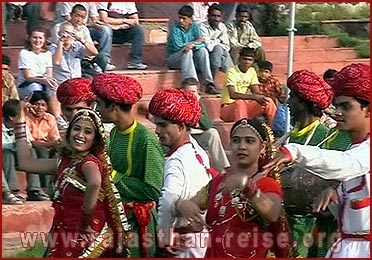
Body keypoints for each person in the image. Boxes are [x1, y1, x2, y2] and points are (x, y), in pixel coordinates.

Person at [264, 63, 370, 258]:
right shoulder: (353, 147)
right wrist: (334, 193)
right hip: (345, 246)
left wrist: (294, 151)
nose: (338, 112)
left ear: (368, 111)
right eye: (337, 105)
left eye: (346, 107)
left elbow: (348, 164)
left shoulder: (361, 151)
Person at [14, 107, 131, 257]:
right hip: (65, 231)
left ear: (95, 139)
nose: (80, 135)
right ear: (69, 133)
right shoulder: (66, 162)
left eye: (88, 132)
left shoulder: (89, 163)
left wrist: (86, 222)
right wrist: (19, 123)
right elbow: (26, 163)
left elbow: (95, 182)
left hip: (85, 235)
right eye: (76, 129)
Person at [175, 117, 288, 258]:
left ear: (262, 147)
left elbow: (273, 214)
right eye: (236, 140)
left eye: (249, 141)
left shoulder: (267, 184)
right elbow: (193, 205)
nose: (242, 146)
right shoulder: (219, 181)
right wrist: (181, 204)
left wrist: (247, 187)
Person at [92, 72, 164, 257]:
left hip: (138, 226)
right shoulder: (113, 134)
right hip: (114, 221)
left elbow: (152, 190)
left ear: (113, 106)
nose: (96, 108)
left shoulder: (146, 139)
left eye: (99, 104)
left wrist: (112, 176)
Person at [148, 87, 213, 258]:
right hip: (201, 239)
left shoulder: (176, 161)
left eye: (162, 125)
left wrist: (163, 239)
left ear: (181, 126)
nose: (157, 131)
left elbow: (168, 200)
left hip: (184, 245)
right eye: (156, 125)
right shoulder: (197, 149)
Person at [166, 5, 220, 95]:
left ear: (190, 19)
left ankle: (209, 83)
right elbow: (178, 46)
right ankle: (191, 84)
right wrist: (194, 43)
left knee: (202, 51)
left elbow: (202, 43)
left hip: (189, 58)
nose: (181, 21)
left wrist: (193, 45)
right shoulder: (174, 27)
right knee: (187, 52)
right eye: (180, 18)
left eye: (184, 18)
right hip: (173, 59)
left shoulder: (195, 26)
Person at [16, 27, 63, 127]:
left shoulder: (47, 54)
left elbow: (49, 74)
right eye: (35, 37)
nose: (37, 40)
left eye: (40, 38)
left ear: (44, 40)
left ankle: (57, 117)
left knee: (54, 87)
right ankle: (35, 117)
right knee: (35, 88)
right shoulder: (24, 53)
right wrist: (44, 80)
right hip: (26, 85)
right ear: (29, 38)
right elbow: (28, 76)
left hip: (42, 82)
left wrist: (51, 82)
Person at [181, 77, 230, 172]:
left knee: (213, 133)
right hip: (184, 137)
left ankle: (223, 169)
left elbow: (207, 124)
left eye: (194, 92)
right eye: (188, 92)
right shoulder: (178, 104)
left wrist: (195, 106)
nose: (191, 95)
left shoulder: (198, 104)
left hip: (197, 136)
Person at [220, 47, 277, 126]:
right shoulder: (231, 71)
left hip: (244, 109)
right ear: (239, 59)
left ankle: (273, 130)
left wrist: (261, 97)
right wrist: (254, 97)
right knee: (240, 102)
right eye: (244, 59)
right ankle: (242, 129)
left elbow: (256, 92)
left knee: (268, 101)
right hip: (227, 109)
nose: (246, 62)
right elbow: (233, 95)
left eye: (249, 60)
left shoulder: (252, 71)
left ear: (253, 62)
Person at [52, 3, 115, 72]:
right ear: (71, 15)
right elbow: (56, 46)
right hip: (68, 57)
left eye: (82, 17)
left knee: (103, 58)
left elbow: (92, 49)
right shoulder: (59, 27)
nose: (79, 20)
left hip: (84, 56)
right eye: (77, 16)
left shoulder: (84, 29)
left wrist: (81, 40)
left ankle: (98, 72)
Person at [26, 91, 61, 197]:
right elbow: (30, 142)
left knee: (59, 153)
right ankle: (41, 188)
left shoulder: (50, 118)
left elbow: (56, 139)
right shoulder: (26, 118)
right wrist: (50, 144)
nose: (39, 108)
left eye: (43, 105)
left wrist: (53, 144)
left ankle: (53, 188)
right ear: (31, 105)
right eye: (36, 104)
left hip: (46, 148)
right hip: (30, 148)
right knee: (40, 151)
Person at [96, 2, 148, 70]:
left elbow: (135, 21)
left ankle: (135, 62)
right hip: (107, 33)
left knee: (139, 29)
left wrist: (120, 26)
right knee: (106, 29)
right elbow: (105, 19)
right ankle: (105, 62)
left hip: (123, 30)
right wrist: (124, 21)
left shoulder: (129, 3)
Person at [200, 3, 234, 81]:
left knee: (223, 53)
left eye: (218, 16)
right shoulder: (202, 27)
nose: (216, 19)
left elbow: (226, 46)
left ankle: (233, 79)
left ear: (221, 18)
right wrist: (218, 40)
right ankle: (213, 81)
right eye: (213, 15)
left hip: (219, 55)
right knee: (219, 49)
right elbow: (208, 46)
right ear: (208, 16)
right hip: (205, 56)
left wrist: (214, 43)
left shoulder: (222, 27)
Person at [2, 99, 23, 205]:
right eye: (21, 114)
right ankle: (6, 192)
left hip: (15, 155)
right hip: (6, 155)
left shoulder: (21, 123)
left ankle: (35, 190)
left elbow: (27, 143)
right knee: (6, 154)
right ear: (11, 117)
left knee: (33, 152)